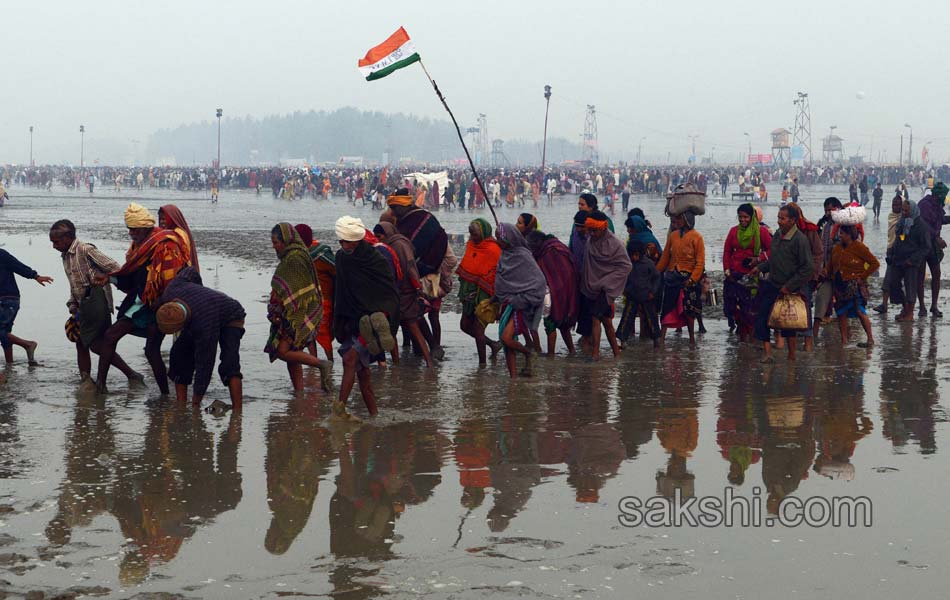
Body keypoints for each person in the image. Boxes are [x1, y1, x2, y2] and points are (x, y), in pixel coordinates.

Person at [92, 203, 191, 394]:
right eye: (129, 229)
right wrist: (109, 278)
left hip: (158, 304)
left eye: (134, 229)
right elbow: (132, 275)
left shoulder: (166, 244)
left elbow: (174, 278)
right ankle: (163, 394)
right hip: (142, 301)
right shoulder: (141, 245)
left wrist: (162, 301)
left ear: (145, 227)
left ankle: (101, 386)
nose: (131, 233)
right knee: (149, 350)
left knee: (119, 339)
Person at [49, 220, 141, 390]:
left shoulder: (85, 249)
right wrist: (72, 305)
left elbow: (115, 267)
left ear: (69, 237)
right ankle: (90, 380)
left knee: (93, 343)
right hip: (82, 306)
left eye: (57, 242)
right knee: (86, 342)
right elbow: (75, 284)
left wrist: (104, 278)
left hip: (98, 304)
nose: (54, 246)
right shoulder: (66, 256)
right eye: (53, 242)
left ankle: (116, 378)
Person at [332, 216, 400, 420]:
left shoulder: (374, 259)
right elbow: (341, 290)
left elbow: (388, 291)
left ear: (356, 239)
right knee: (363, 375)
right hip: (351, 319)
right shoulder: (341, 258)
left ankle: (339, 411)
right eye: (340, 241)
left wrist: (383, 318)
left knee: (349, 359)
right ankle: (375, 417)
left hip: (373, 321)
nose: (343, 245)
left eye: (346, 241)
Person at [156, 267, 245, 410]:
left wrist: (196, 403)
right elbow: (189, 271)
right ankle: (181, 405)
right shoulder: (171, 290)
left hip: (231, 316)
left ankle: (237, 413)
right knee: (178, 355)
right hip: (201, 311)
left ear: (182, 325)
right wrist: (199, 289)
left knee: (230, 363)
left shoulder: (204, 326)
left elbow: (205, 364)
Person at [264, 223, 333, 393]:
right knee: (293, 353)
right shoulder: (297, 255)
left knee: (283, 351)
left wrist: (280, 307)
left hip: (298, 314)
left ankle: (321, 364)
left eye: (275, 242)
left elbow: (295, 289)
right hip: (297, 311)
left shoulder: (294, 258)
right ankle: (299, 392)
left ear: (286, 240)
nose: (273, 246)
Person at [749, 204, 815, 362]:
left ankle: (791, 356)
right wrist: (760, 267)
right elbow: (774, 259)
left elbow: (807, 268)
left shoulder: (800, 240)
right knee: (763, 317)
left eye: (782, 219)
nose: (779, 221)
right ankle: (768, 353)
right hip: (773, 284)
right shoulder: (778, 235)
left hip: (791, 289)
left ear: (792, 220)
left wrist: (789, 286)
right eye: (778, 218)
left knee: (789, 324)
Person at [373, 222, 434, 368]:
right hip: (394, 290)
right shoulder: (386, 246)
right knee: (392, 328)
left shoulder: (399, 244)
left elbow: (410, 266)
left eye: (379, 236)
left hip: (406, 290)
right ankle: (397, 364)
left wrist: (417, 288)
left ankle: (428, 362)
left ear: (387, 233)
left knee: (412, 326)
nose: (378, 239)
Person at [494, 222, 547, 378]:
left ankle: (528, 353)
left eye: (500, 238)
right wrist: (496, 298)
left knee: (506, 338)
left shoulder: (523, 255)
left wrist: (521, 299)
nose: (497, 241)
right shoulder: (504, 255)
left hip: (522, 304)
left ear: (509, 238)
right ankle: (513, 378)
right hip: (508, 302)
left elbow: (538, 283)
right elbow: (503, 279)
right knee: (507, 342)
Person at [579, 211, 631, 360]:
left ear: (603, 228)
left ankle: (595, 354)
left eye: (594, 230)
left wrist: (608, 283)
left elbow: (626, 266)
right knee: (607, 322)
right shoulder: (590, 241)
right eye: (589, 230)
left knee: (596, 318)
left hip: (606, 289)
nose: (591, 233)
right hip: (591, 288)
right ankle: (617, 354)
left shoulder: (615, 243)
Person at [456, 218, 503, 366]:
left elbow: (496, 274)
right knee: (464, 326)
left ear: (484, 233)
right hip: (468, 295)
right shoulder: (471, 245)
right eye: (470, 234)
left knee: (478, 329)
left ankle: (482, 365)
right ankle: (493, 345)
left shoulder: (493, 249)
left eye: (475, 234)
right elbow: (467, 266)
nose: (472, 237)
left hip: (485, 296)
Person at [722, 204, 772, 342]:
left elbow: (772, 249)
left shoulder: (761, 231)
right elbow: (727, 251)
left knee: (750, 308)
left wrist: (758, 259)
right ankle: (742, 333)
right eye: (740, 217)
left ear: (752, 217)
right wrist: (726, 269)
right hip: (734, 274)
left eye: (746, 217)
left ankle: (752, 336)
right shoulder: (733, 231)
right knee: (733, 307)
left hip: (753, 275)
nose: (743, 220)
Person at [526, 229, 579, 356]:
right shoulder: (557, 246)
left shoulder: (550, 252)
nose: (531, 250)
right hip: (565, 292)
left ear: (538, 242)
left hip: (555, 293)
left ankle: (551, 355)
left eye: (532, 246)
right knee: (563, 324)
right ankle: (572, 351)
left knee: (550, 322)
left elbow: (558, 275)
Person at [0, 247, 54, 374]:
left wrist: (35, 276)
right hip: (6, 300)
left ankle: (27, 345)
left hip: (8, 299)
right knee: (4, 333)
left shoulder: (1, 255)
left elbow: (18, 266)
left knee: (2, 332)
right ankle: (9, 367)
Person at [656, 212, 705, 346]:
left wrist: (692, 279)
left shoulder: (697, 237)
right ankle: (662, 339)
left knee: (688, 311)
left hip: (688, 279)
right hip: (672, 276)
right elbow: (666, 257)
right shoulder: (673, 236)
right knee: (667, 308)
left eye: (679, 218)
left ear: (687, 219)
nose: (676, 221)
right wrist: (655, 272)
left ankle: (691, 339)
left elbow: (700, 262)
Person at [830, 225, 879, 347]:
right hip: (839, 285)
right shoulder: (836, 248)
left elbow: (874, 263)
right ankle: (844, 341)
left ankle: (870, 339)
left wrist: (862, 277)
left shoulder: (859, 247)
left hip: (855, 285)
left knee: (860, 311)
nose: (839, 236)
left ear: (849, 234)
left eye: (842, 233)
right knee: (841, 312)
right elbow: (831, 265)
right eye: (839, 233)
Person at [887, 199, 931, 322]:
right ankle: (905, 308)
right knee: (894, 284)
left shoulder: (921, 225)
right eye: (903, 210)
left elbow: (926, 247)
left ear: (913, 210)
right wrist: (892, 252)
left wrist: (913, 260)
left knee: (911, 287)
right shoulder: (901, 222)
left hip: (912, 262)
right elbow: (898, 239)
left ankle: (910, 314)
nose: (904, 212)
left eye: (906, 210)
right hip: (898, 260)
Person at [616, 240, 660, 347]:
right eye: (632, 255)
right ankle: (622, 340)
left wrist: (653, 291)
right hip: (632, 295)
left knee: (651, 318)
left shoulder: (648, 263)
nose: (634, 258)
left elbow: (657, 277)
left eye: (636, 255)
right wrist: (624, 289)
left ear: (641, 253)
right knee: (627, 318)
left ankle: (656, 340)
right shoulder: (627, 263)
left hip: (646, 295)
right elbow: (622, 277)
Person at [916, 181, 950, 317]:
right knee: (920, 276)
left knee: (937, 274)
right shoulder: (924, 204)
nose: (944, 199)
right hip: (921, 245)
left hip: (933, 247)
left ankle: (934, 306)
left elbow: (940, 219)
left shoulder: (937, 206)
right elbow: (923, 224)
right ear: (937, 195)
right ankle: (922, 307)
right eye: (943, 196)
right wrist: (936, 237)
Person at [874, 194, 906, 314]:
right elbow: (890, 235)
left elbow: (903, 236)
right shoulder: (891, 216)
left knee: (898, 281)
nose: (895, 206)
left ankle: (905, 307)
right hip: (891, 252)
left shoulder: (905, 220)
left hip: (900, 253)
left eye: (898, 204)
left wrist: (899, 245)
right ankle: (884, 304)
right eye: (893, 204)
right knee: (888, 280)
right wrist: (889, 247)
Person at [158, 205, 200, 273]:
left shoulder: (178, 234)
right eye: (160, 219)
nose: (161, 222)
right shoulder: (166, 233)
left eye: (164, 219)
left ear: (172, 219)